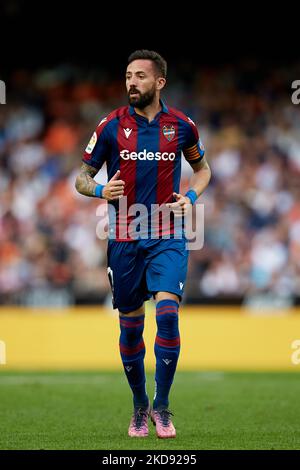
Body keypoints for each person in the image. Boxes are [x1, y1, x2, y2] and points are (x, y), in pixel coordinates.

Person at [75, 50, 211, 438]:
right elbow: (81, 178)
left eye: (139, 76)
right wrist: (101, 188)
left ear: (159, 82)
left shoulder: (181, 126)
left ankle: (163, 407)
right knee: (131, 328)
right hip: (123, 237)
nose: (131, 82)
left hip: (167, 233)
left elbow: (203, 170)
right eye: (128, 76)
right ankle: (140, 407)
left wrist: (191, 198)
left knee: (167, 314)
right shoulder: (110, 126)